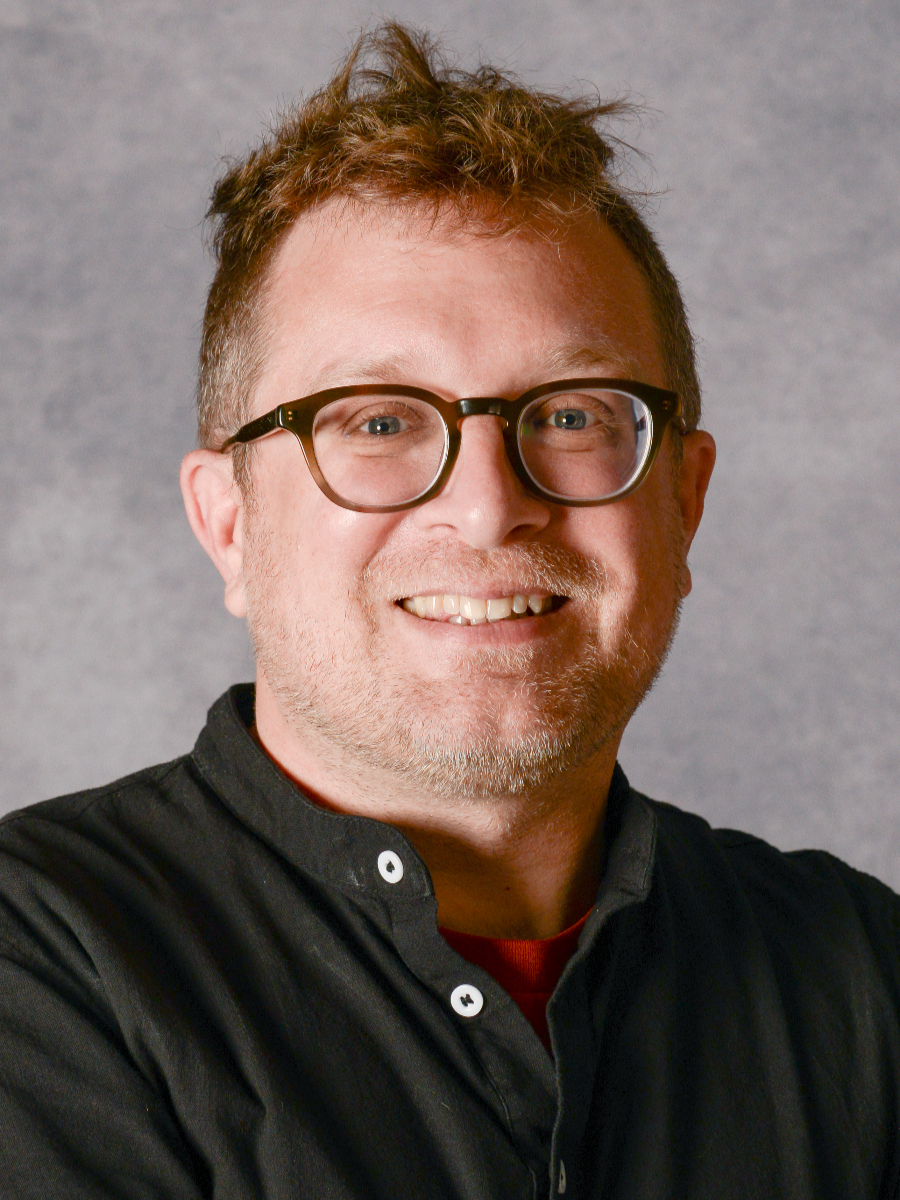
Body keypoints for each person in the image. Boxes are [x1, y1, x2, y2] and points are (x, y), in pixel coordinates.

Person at [1, 22, 897, 1199]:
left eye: (572, 415)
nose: (486, 509)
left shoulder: (861, 973)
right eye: (377, 420)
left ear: (683, 502)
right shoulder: (41, 968)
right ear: (228, 522)